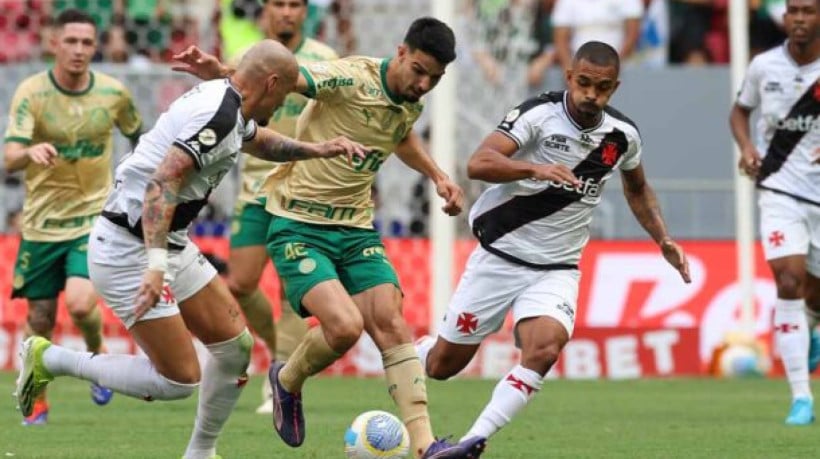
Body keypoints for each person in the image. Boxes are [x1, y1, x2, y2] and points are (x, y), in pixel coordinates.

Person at [15, 39, 367, 459]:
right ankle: (50, 359)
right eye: (286, 92)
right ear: (271, 83)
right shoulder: (218, 113)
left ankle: (200, 453)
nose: (285, 103)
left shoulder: (230, 103)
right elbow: (161, 184)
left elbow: (259, 141)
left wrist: (317, 150)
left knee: (235, 348)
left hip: (165, 241)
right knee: (179, 380)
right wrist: (155, 266)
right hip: (131, 249)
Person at [172, 16, 486, 459]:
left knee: (393, 324)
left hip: (355, 228)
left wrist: (438, 175)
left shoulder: (409, 99)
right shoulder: (348, 76)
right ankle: (286, 380)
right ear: (399, 52)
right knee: (344, 327)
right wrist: (222, 73)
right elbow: (283, 75)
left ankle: (425, 448)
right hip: (298, 224)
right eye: (418, 70)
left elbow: (399, 135)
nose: (423, 84)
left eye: (434, 78)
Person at [414, 41, 691, 444]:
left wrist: (663, 238)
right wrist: (535, 168)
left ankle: (472, 443)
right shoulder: (538, 115)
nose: (591, 95)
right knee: (442, 366)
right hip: (500, 255)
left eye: (602, 87)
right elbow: (479, 163)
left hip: (557, 268)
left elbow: (638, 188)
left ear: (614, 87)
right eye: (584, 84)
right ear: (568, 77)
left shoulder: (622, 135)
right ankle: (412, 352)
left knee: (544, 350)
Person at [4, 9, 143, 425]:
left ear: (95, 46)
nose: (79, 50)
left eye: (87, 42)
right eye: (71, 41)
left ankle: (97, 357)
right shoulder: (31, 92)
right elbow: (9, 155)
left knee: (82, 304)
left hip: (92, 219)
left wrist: (134, 180)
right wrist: (28, 152)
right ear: (53, 43)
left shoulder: (114, 93)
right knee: (40, 319)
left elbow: (140, 135)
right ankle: (38, 398)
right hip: (41, 225)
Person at [227, 0, 338, 415]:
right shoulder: (246, 60)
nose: (287, 13)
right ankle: (279, 346)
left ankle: (279, 376)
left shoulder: (325, 60)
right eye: (279, 4)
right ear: (266, 10)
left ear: (305, 11)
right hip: (256, 186)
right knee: (240, 282)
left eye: (295, 4)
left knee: (294, 294)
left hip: (305, 189)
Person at [729, 0, 820, 426]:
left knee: (814, 296)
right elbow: (739, 111)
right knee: (788, 280)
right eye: (793, 11)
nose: (799, 19)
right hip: (779, 188)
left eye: (809, 11)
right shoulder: (764, 66)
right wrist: (748, 148)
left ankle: (812, 326)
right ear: (785, 17)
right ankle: (801, 397)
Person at [552, 0, 643, 70]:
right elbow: (560, 39)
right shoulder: (565, 2)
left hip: (621, 68)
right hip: (578, 68)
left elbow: (632, 34)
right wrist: (569, 70)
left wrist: (616, 65)